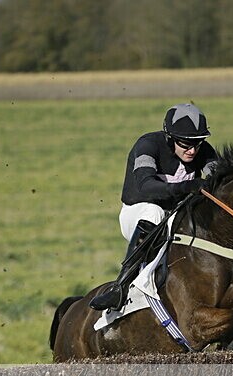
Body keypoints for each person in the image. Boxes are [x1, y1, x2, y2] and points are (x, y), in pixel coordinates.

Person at [90, 102, 217, 312]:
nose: (193, 150)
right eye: (186, 144)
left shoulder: (203, 151)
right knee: (154, 211)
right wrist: (187, 186)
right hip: (137, 213)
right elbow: (146, 186)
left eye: (198, 143)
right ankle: (120, 287)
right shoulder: (147, 145)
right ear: (169, 137)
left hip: (174, 218)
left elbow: (220, 180)